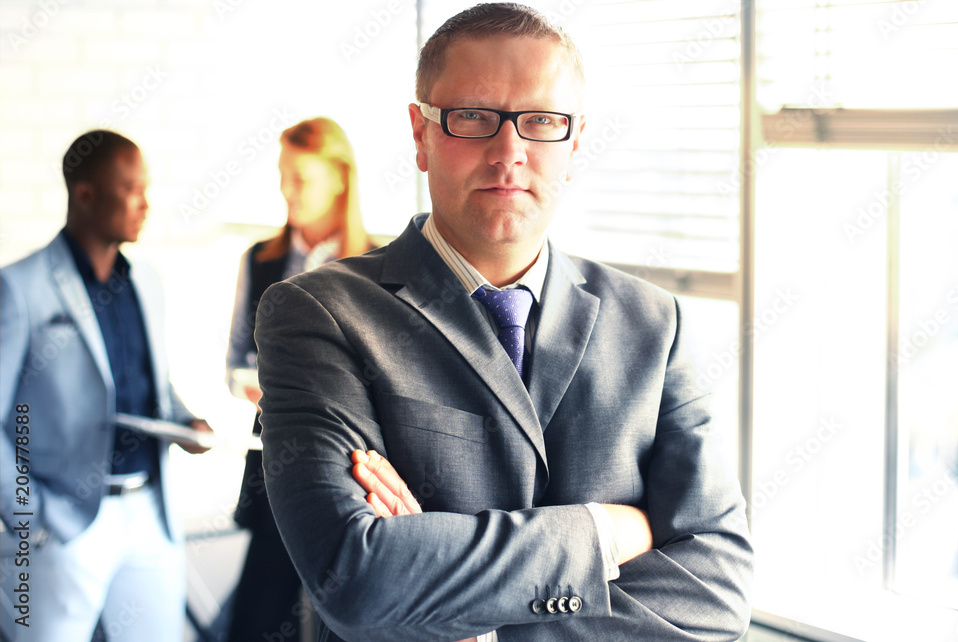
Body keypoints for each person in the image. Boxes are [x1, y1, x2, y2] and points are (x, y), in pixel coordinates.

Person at [255, 4, 753, 641]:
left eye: (541, 121)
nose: (508, 152)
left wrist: (472, 623)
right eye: (472, 117)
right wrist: (605, 532)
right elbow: (355, 580)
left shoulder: (655, 325)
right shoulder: (319, 313)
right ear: (421, 135)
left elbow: (717, 593)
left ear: (575, 142)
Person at [0, 130, 214, 641]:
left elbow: (151, 384)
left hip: (151, 515)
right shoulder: (19, 287)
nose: (146, 204)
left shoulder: (147, 282)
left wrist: (185, 422)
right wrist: (30, 518)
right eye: (132, 189)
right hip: (65, 523)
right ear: (86, 194)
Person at [225, 116, 374, 642]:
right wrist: (262, 386)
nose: (287, 191)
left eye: (301, 179)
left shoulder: (374, 264)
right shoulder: (260, 260)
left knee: (347, 618)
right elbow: (235, 364)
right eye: (283, 176)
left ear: (339, 179)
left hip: (353, 475)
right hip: (274, 464)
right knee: (258, 619)